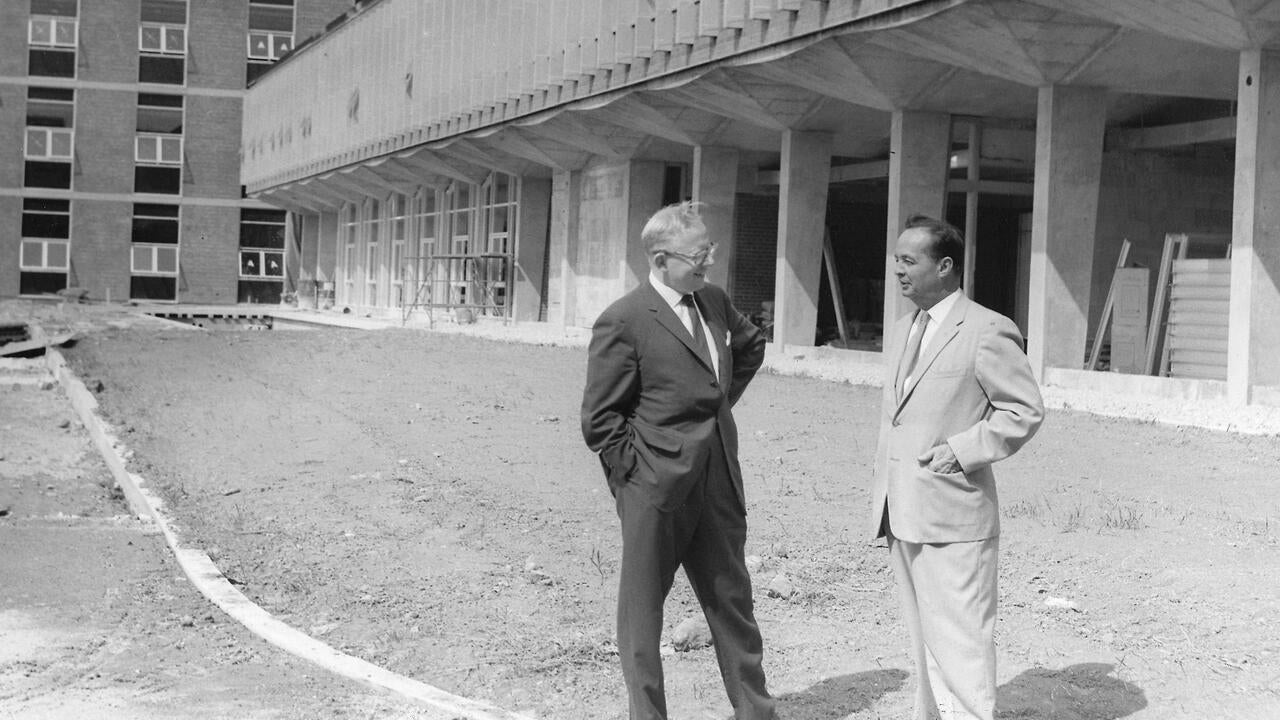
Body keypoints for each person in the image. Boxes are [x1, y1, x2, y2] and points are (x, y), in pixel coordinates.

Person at [581, 201, 775, 720]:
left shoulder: (711, 299)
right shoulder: (623, 320)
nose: (709, 263)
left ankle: (756, 713)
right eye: (698, 256)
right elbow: (600, 421)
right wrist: (637, 477)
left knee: (733, 602)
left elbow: (750, 346)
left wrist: (716, 407)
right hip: (655, 488)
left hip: (717, 480)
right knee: (643, 613)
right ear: (662, 258)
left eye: (709, 251)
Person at [868, 214, 1044, 720]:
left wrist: (964, 449)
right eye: (895, 259)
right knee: (925, 644)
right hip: (902, 510)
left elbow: (1024, 409)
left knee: (962, 643)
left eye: (909, 260)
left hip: (954, 514)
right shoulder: (904, 328)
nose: (897, 270)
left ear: (945, 266)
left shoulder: (988, 329)